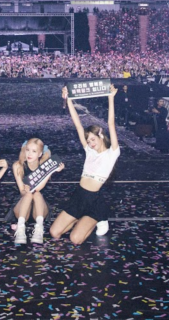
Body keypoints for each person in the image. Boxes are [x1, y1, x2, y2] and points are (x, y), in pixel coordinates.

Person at [50, 84, 120, 245]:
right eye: (88, 141)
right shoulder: (89, 151)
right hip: (79, 196)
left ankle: (98, 218)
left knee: (75, 239)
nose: (90, 143)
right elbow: (78, 124)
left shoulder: (112, 153)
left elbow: (111, 124)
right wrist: (69, 100)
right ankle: (78, 220)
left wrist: (110, 98)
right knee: (54, 233)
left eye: (93, 139)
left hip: (94, 201)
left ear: (101, 135)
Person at [11, 137, 65, 244]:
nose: (29, 154)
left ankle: (39, 228)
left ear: (40, 154)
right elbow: (21, 190)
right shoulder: (17, 165)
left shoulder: (44, 166)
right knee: (28, 195)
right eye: (27, 150)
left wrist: (52, 170)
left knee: (37, 194)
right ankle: (20, 228)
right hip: (23, 206)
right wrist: (26, 191)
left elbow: (38, 189)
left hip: (39, 208)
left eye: (34, 151)